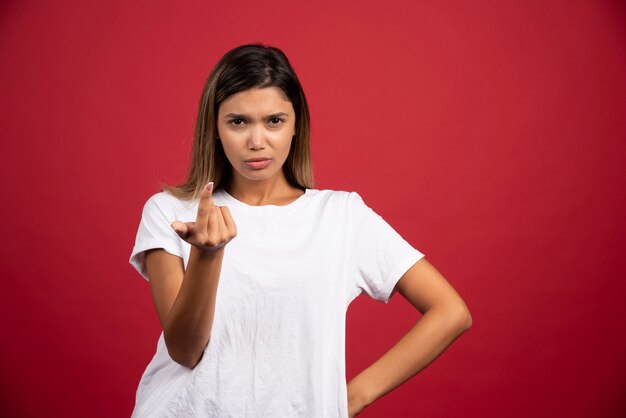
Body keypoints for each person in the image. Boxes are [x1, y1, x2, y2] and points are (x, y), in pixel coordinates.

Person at [129, 44, 472, 418]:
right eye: (238, 122)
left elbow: (451, 311)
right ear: (214, 127)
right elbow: (185, 350)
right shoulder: (170, 211)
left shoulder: (339, 216)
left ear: (296, 125)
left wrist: (352, 398)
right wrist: (207, 255)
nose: (257, 141)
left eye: (274, 121)